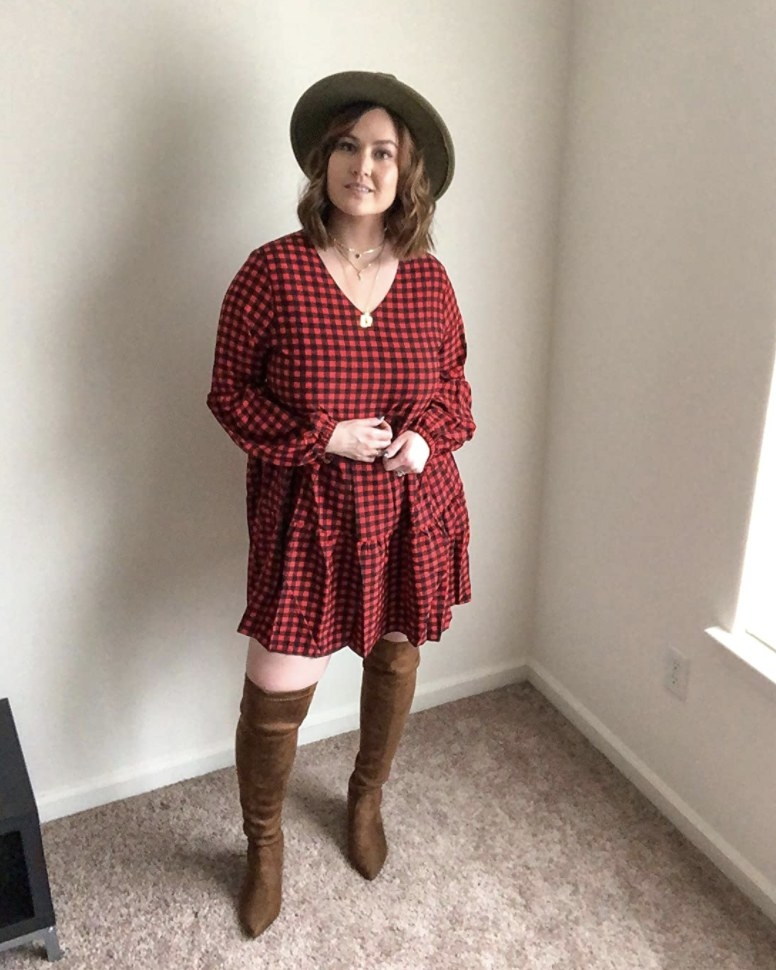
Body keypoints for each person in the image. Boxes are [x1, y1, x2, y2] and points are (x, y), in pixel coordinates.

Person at [207, 71, 475, 938]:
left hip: (409, 515)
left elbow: (456, 391)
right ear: (324, 163)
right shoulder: (272, 272)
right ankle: (265, 843)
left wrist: (426, 440)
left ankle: (366, 797)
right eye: (350, 148)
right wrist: (323, 435)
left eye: (384, 151)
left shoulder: (429, 282)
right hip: (307, 521)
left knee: (394, 663)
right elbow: (229, 394)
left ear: (408, 175)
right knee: (276, 693)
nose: (365, 165)